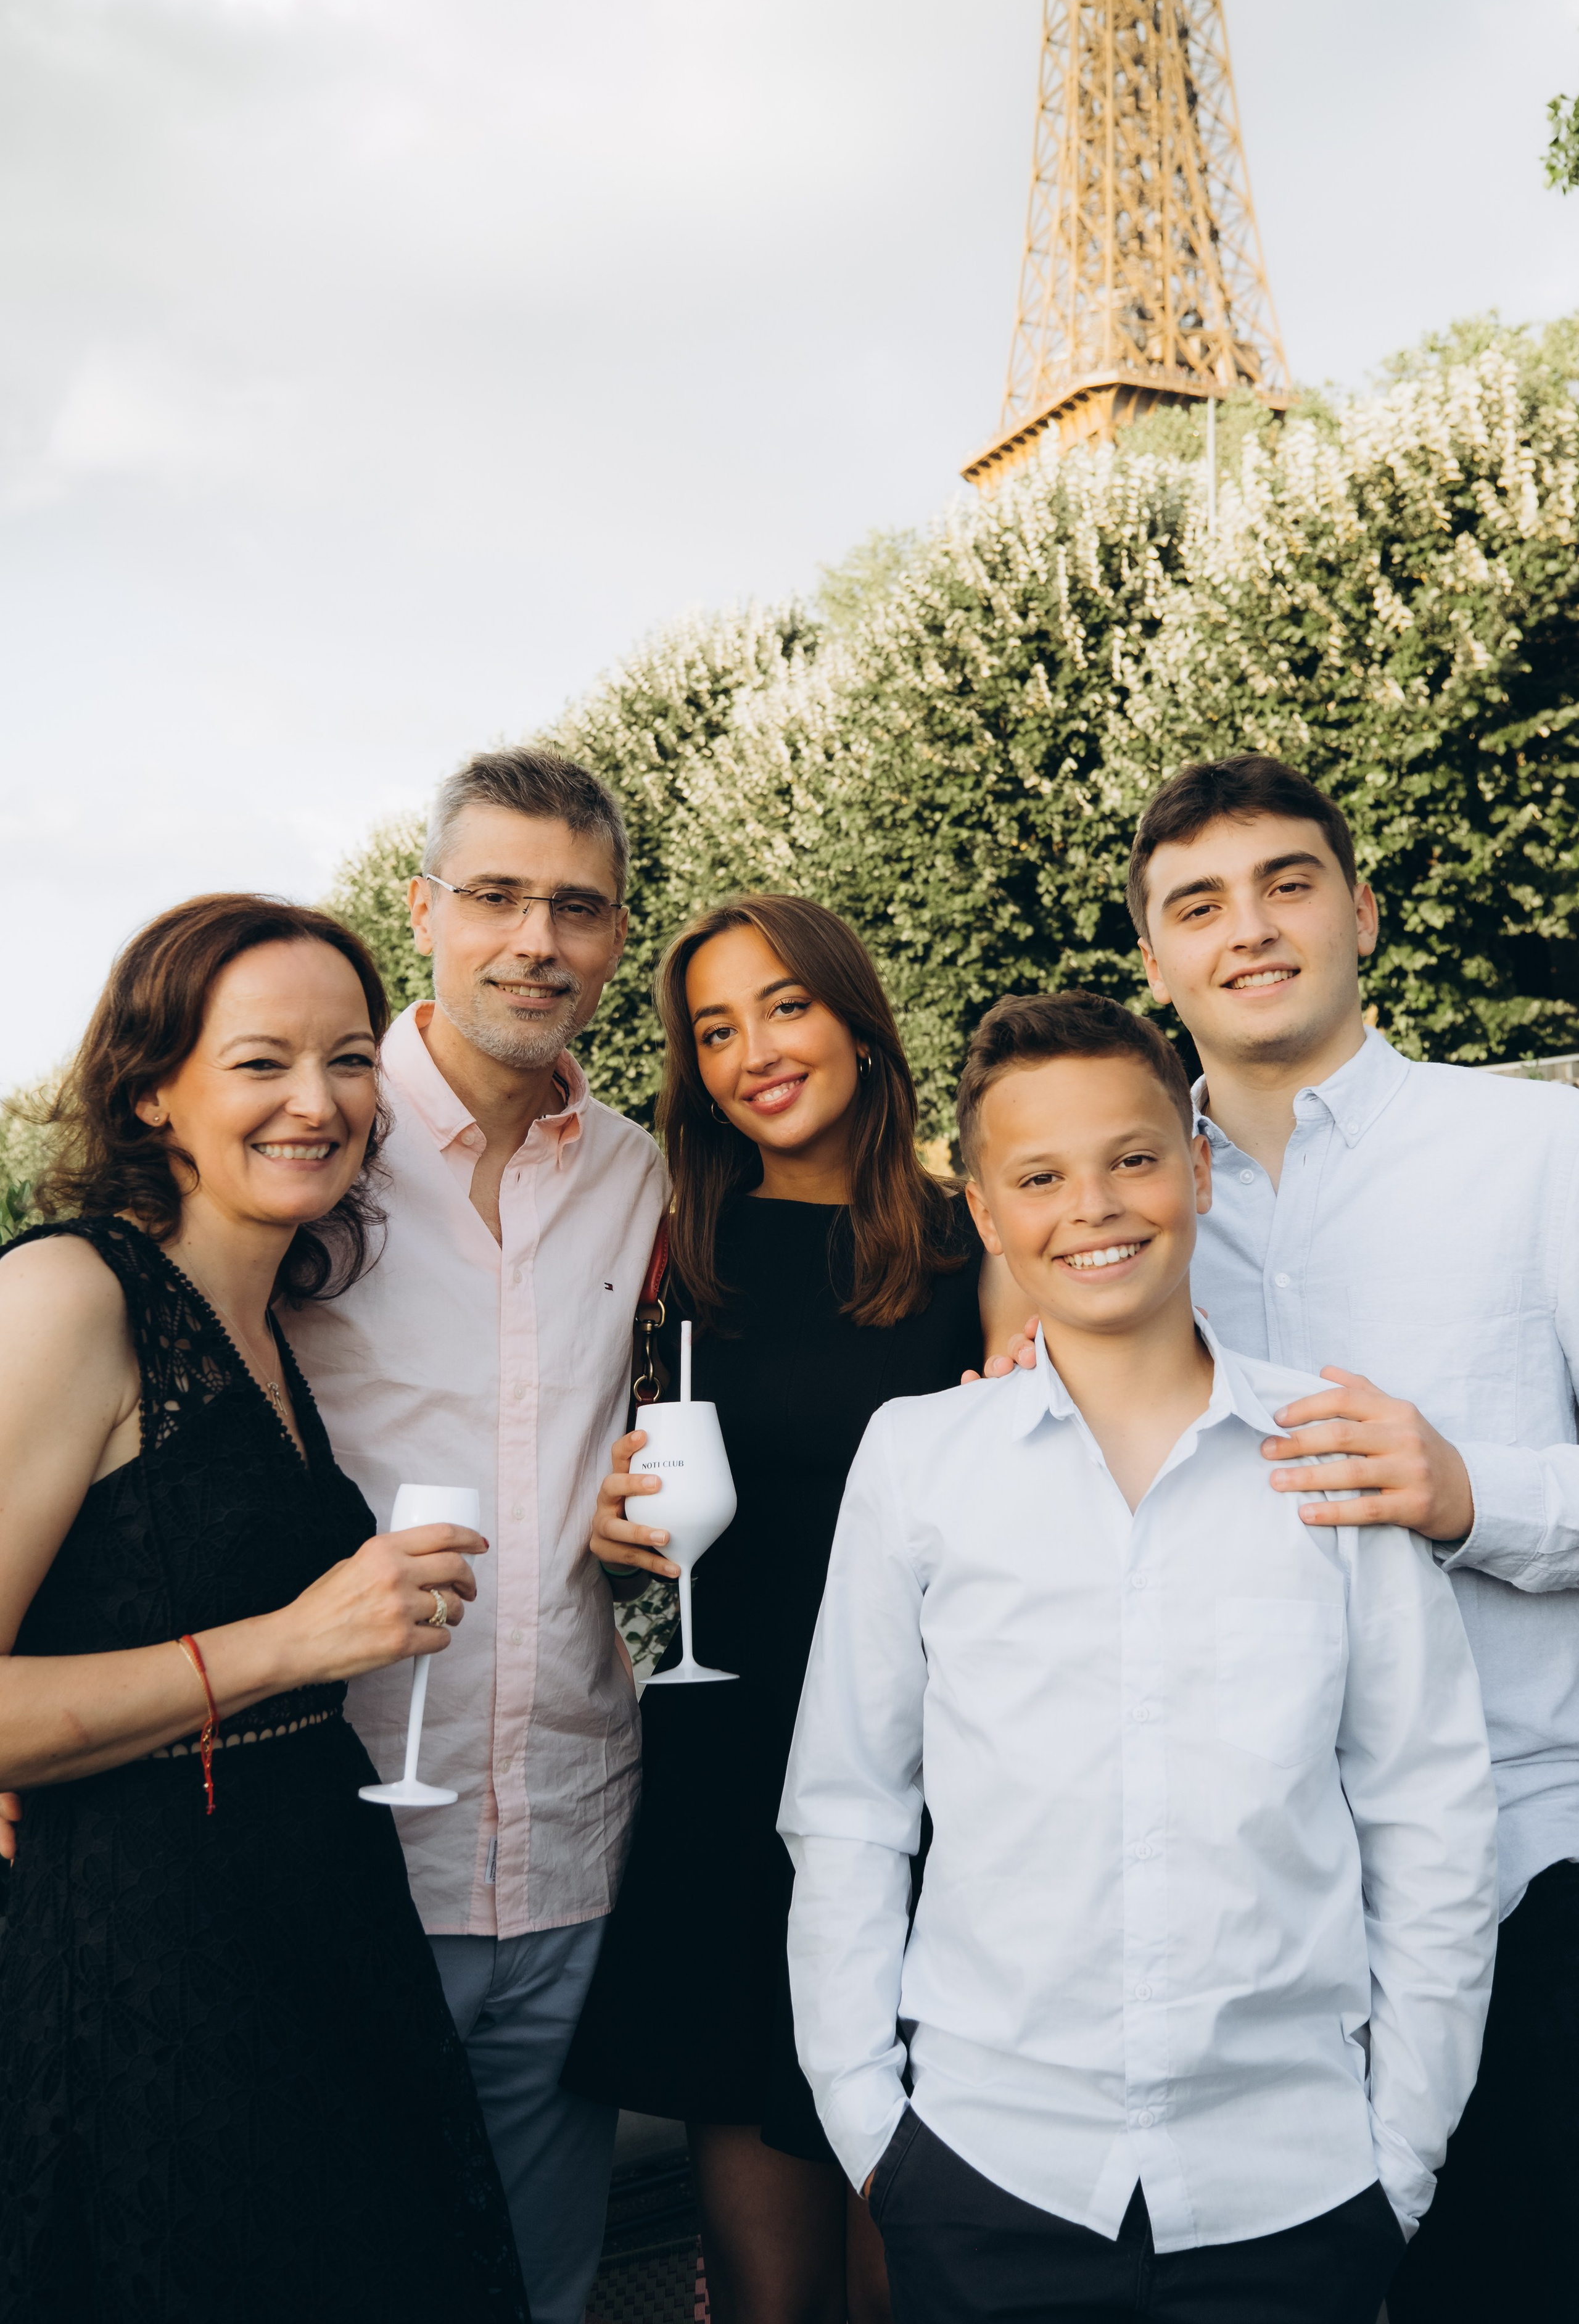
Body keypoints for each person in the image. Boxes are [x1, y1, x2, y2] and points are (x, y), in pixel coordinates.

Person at [782, 988, 1498, 2324]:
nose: (1094, 1208)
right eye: (1039, 1178)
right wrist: (871, 2127)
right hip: (983, 2180)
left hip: (1296, 2191)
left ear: (1196, 1170)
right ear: (987, 1217)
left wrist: (1397, 2156)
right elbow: (846, 1810)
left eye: (1131, 1158)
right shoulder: (916, 1461)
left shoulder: (1330, 1448)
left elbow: (1427, 1816)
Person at [0, 895, 527, 2322]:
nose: (319, 1101)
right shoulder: (70, 1293)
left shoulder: (270, 1315)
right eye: (260, 1063)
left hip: (315, 1928)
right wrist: (302, 1640)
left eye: (351, 1058)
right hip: (144, 1966)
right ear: (152, 1088)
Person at [1117, 753, 1579, 2321]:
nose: (1244, 929)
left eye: (1284, 882)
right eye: (1196, 904)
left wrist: (1469, 1492)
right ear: (1153, 958)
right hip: (1239, 1913)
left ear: (1362, 912)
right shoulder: (1116, 1213)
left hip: (1532, 1870)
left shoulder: (1535, 1155)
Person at [563, 895, 1030, 2324]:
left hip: (927, 1762)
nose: (753, 1051)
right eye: (713, 1029)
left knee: (911, 2247)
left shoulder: (973, 1239)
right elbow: (573, 1450)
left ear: (855, 1022)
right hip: (731, 1739)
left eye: (783, 1007)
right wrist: (593, 1521)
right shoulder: (669, 1246)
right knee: (770, 2295)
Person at [286, 745, 668, 2324]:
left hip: (574, 1835)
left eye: (576, 907)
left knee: (540, 2287)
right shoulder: (310, 1142)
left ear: (616, 937)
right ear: (423, 909)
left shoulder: (643, 1172)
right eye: (498, 896)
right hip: (333, 1840)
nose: (537, 941)